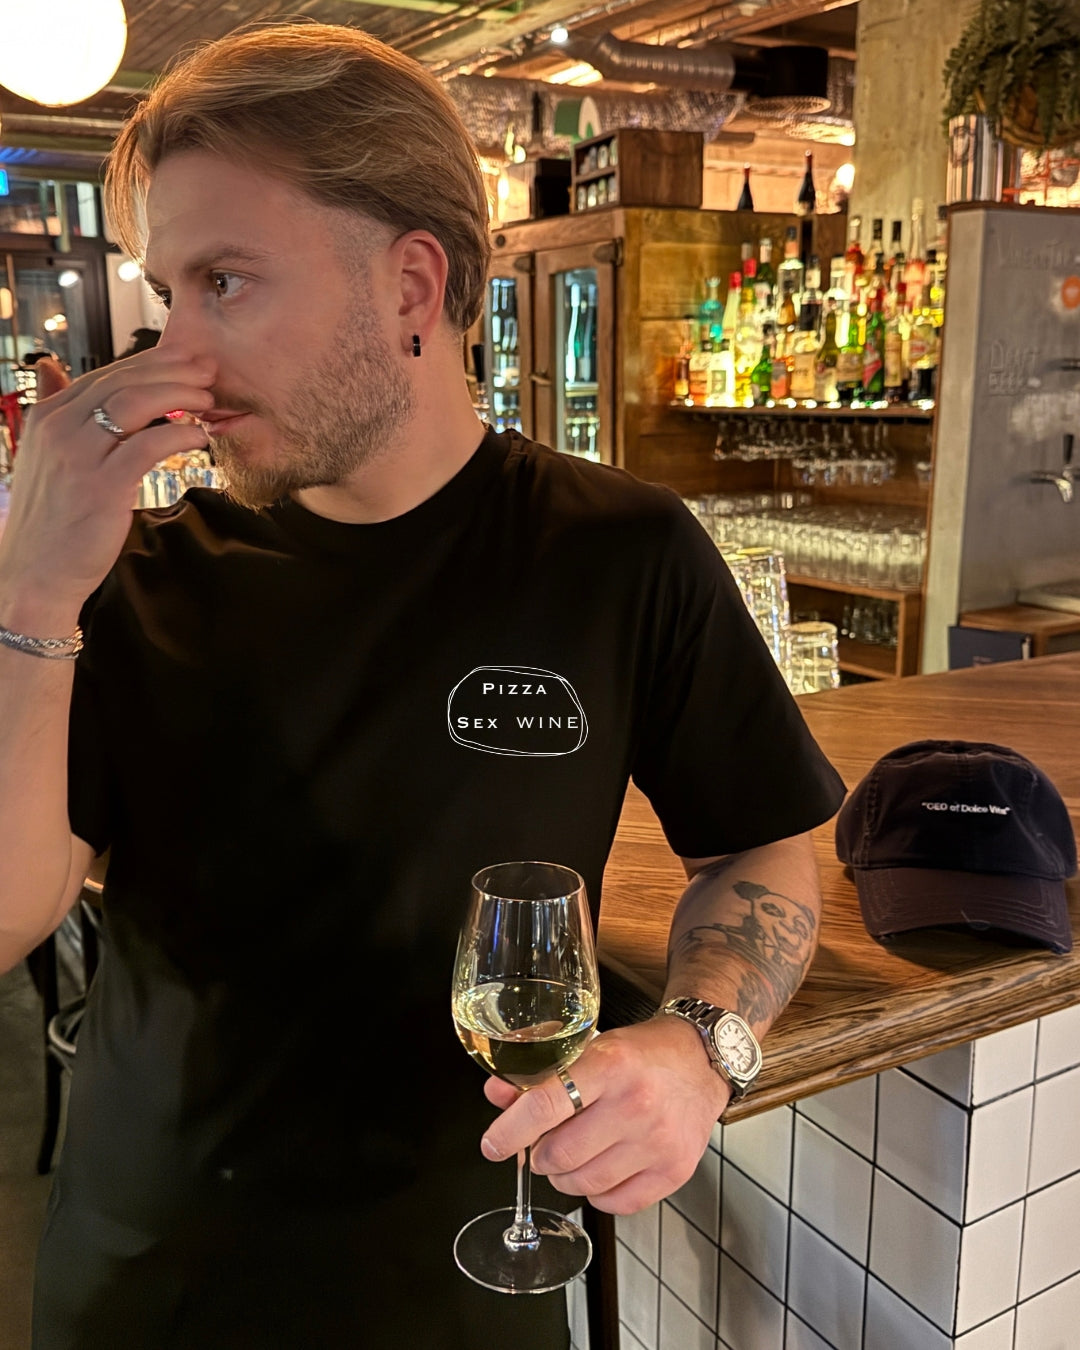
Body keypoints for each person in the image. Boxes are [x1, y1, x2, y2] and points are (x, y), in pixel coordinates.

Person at [0, 21, 845, 1350]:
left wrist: (702, 1044)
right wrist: (29, 596)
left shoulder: (621, 554)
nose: (183, 357)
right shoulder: (131, 574)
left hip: (470, 1293)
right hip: (148, 1286)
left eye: (226, 282)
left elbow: (761, 842)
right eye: (170, 294)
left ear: (410, 286)